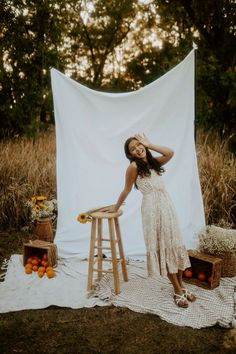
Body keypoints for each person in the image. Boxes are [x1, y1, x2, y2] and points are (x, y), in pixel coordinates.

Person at [102, 133, 196, 308]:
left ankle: (182, 286)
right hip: (152, 209)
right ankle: (176, 289)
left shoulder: (154, 162)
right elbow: (126, 190)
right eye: (133, 149)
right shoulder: (133, 167)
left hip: (167, 205)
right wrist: (115, 207)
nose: (138, 148)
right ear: (130, 154)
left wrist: (149, 144)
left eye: (139, 145)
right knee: (163, 247)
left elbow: (170, 152)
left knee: (175, 244)